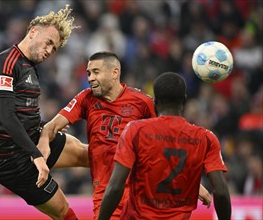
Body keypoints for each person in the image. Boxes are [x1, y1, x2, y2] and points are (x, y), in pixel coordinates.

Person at [39, 52, 212, 220]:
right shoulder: (85, 98)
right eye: (89, 73)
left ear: (115, 73)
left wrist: (193, 182)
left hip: (140, 194)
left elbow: (170, 138)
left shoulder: (142, 102)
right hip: (106, 193)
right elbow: (50, 127)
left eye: (96, 72)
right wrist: (44, 144)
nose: (90, 78)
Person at [0, 5, 89, 220]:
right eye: (49, 42)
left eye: (55, 48)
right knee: (63, 211)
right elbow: (8, 118)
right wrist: (37, 155)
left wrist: (43, 135)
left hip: (32, 142)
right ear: (33, 32)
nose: (50, 50)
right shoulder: (6, 63)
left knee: (86, 153)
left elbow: (26, 115)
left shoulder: (30, 66)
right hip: (12, 160)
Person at [98, 72, 231, 220]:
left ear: (155, 102)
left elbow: (116, 187)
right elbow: (221, 192)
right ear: (184, 101)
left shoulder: (135, 131)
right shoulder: (206, 138)